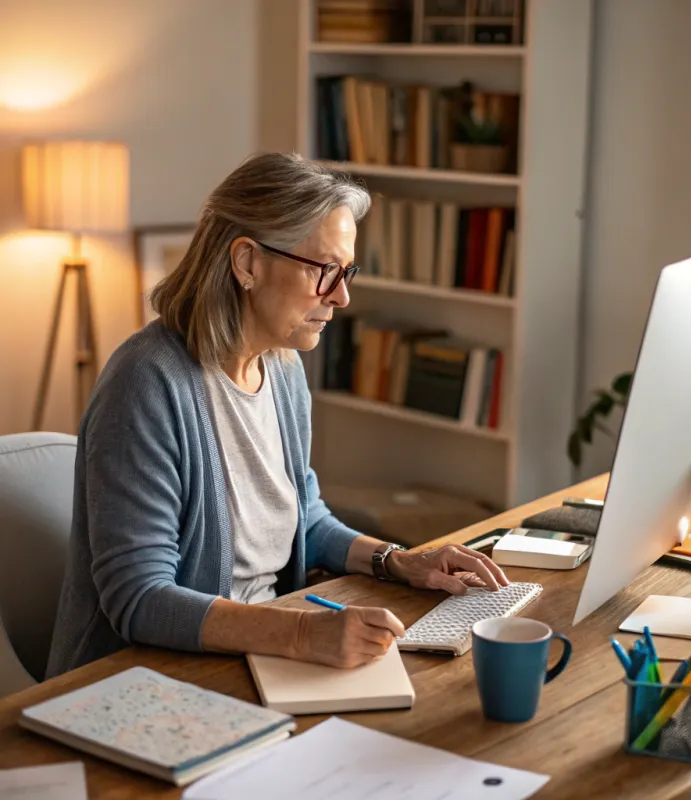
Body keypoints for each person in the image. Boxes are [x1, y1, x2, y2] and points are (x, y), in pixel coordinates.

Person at [46, 153, 509, 678]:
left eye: (347, 270)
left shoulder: (283, 366)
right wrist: (302, 634)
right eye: (324, 270)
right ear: (247, 263)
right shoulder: (146, 383)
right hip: (146, 677)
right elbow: (140, 598)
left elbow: (302, 516)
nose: (342, 295)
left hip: (261, 653)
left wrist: (399, 561)